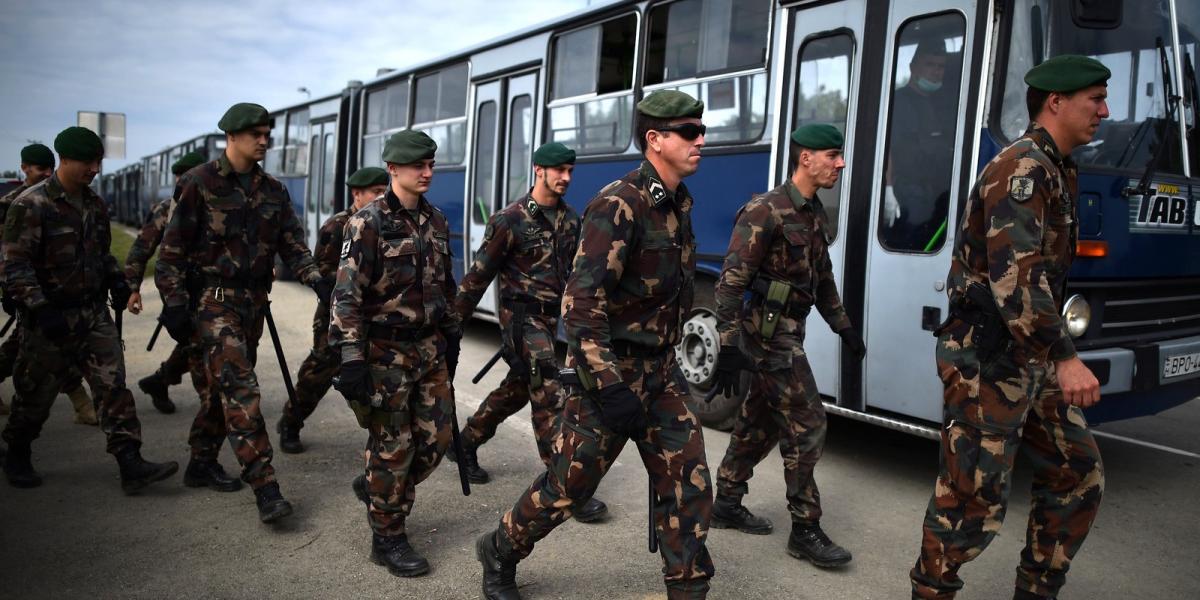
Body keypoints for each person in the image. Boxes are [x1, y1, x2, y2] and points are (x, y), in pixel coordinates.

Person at [475, 90, 713, 600]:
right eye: (690, 131)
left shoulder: (679, 204)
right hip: (611, 373)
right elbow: (581, 303)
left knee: (689, 486)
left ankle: (688, 588)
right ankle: (500, 548)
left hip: (662, 373)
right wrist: (607, 383)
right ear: (655, 139)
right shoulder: (618, 204)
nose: (701, 139)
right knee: (569, 488)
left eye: (701, 129)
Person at [910, 54, 1109, 600]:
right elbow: (1015, 281)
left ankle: (1037, 589)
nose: (1105, 110)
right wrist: (1066, 357)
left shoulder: (1058, 167)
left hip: (1030, 354)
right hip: (987, 360)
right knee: (973, 498)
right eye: (1095, 99)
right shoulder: (1021, 169)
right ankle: (931, 591)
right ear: (1056, 102)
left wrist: (1051, 355)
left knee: (1078, 474)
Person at [155, 103, 333, 522]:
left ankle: (200, 461)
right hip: (212, 302)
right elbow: (171, 251)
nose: (265, 140)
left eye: (267, 133)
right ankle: (265, 485)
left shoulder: (272, 190)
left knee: (226, 388)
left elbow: (291, 243)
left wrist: (315, 278)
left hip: (253, 303)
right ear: (231, 136)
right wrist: (175, 302)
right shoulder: (199, 183)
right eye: (256, 134)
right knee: (241, 387)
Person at [708, 124, 866, 568]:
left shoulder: (813, 212)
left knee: (761, 419)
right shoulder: (766, 210)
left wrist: (844, 327)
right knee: (807, 421)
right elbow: (731, 281)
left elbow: (823, 277)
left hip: (789, 329)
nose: (841, 163)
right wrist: (727, 342)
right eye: (833, 155)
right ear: (805, 159)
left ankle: (727, 500)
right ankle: (805, 528)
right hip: (767, 333)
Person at [1, 127, 177, 490]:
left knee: (113, 386)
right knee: (35, 393)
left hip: (92, 316)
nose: (94, 168)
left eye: (98, 161)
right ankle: (17, 451)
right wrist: (39, 307)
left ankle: (131, 462)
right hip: (48, 318)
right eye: (87, 162)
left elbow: (101, 254)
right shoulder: (31, 205)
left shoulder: (95, 205)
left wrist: (117, 280)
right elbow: (14, 266)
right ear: (64, 160)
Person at [448, 142, 610, 520]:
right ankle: (565, 483)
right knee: (549, 387)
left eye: (570, 171)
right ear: (538, 169)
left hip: (551, 319)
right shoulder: (510, 219)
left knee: (519, 387)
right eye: (558, 171)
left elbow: (577, 274)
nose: (566, 178)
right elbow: (477, 276)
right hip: (521, 320)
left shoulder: (570, 219)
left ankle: (466, 441)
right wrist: (452, 326)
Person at [329, 130, 462, 578]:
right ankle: (388, 536)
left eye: (430, 165)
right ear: (393, 169)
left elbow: (446, 285)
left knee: (437, 439)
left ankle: (378, 488)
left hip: (428, 349)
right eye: (416, 166)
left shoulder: (437, 221)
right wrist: (350, 355)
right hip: (383, 351)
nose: (426, 173)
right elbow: (346, 295)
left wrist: (452, 330)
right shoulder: (366, 223)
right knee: (393, 446)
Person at [276, 166, 389, 454]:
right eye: (376, 193)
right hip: (336, 316)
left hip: (376, 315)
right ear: (357, 194)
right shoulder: (337, 226)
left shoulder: (386, 221)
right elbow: (323, 273)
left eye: (384, 191)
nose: (381, 197)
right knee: (319, 373)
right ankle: (291, 421)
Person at [0, 143, 96, 425]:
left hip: (53, 293)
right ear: (24, 169)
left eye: (49, 169)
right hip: (26, 291)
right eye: (39, 169)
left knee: (30, 346)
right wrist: (10, 290)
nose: (45, 174)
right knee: (43, 350)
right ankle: (80, 402)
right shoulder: (13, 205)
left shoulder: (59, 199)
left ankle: (81, 404)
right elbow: (10, 255)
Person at [126, 150, 208, 415]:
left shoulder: (217, 204)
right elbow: (141, 249)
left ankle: (160, 380)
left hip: (211, 287)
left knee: (201, 339)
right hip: (178, 288)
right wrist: (133, 288)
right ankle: (212, 408)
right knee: (197, 343)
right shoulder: (166, 209)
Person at [883, 39, 958, 249]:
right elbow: (885, 148)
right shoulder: (898, 102)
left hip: (936, 196)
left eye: (940, 66)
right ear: (912, 67)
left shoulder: (944, 105)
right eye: (930, 65)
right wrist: (888, 189)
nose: (936, 71)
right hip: (907, 197)